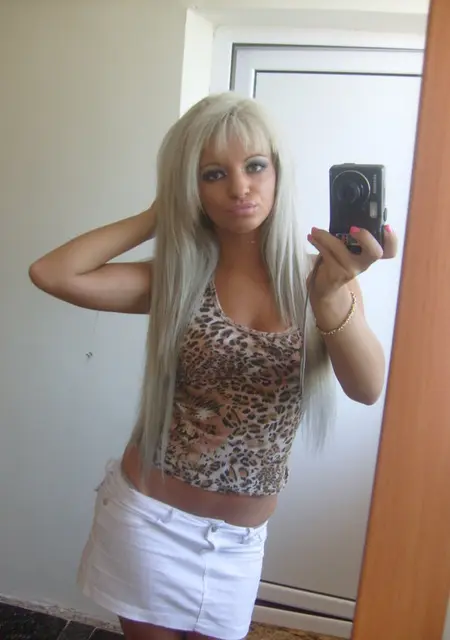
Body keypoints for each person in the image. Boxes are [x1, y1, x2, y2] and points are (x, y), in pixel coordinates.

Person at [28, 92, 396, 640]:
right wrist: (157, 215)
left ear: (278, 172)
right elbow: (52, 273)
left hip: (239, 545)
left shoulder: (322, 280)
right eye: (213, 174)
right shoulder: (178, 279)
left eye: (255, 166)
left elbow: (367, 389)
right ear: (192, 188)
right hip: (149, 524)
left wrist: (328, 298)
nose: (240, 187)